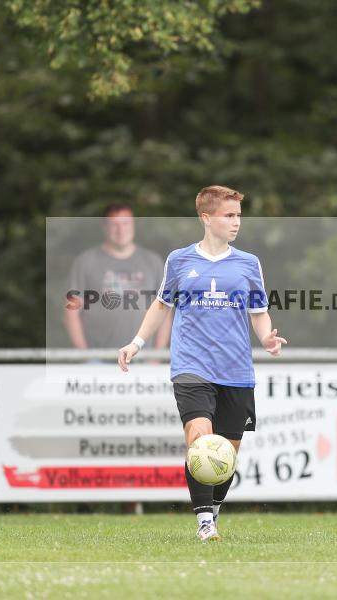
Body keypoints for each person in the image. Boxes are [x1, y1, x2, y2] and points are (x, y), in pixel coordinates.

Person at [117, 185, 286, 542]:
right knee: (199, 440)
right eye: (229, 215)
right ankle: (205, 520)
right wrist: (136, 343)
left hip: (237, 371)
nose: (236, 222)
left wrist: (268, 338)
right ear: (206, 218)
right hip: (190, 366)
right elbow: (162, 305)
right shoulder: (179, 260)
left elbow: (259, 313)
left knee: (227, 452)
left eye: (238, 215)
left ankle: (215, 508)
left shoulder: (248, 263)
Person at [64, 203, 171, 350]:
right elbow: (71, 312)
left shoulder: (153, 262)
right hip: (98, 360)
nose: (121, 230)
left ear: (133, 225)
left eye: (126, 224)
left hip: (144, 358)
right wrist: (85, 357)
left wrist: (156, 356)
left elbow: (164, 311)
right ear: (104, 227)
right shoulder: (86, 262)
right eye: (114, 225)